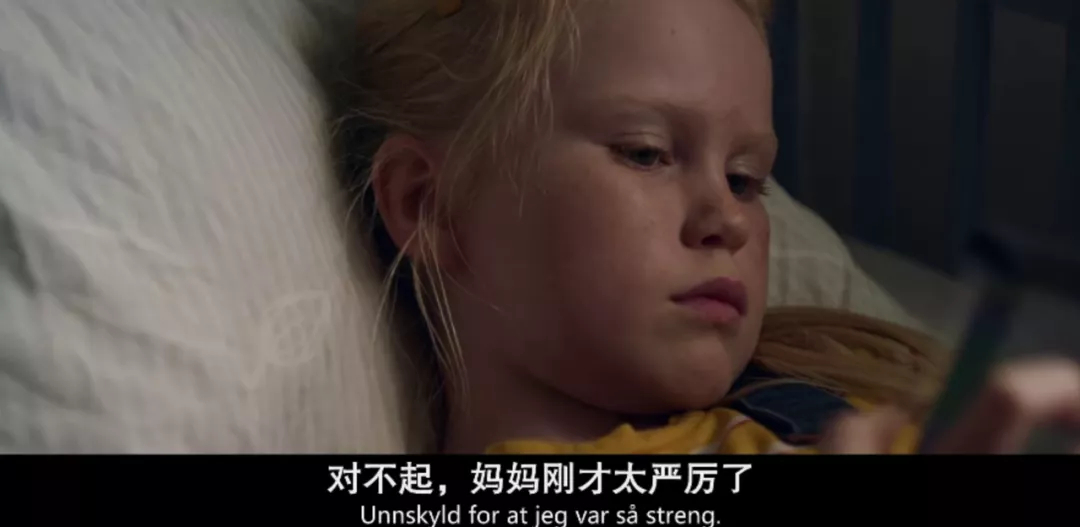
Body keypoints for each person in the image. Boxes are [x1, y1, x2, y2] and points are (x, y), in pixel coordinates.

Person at [339, 0, 1080, 454]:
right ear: (429, 204)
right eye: (646, 152)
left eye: (745, 179)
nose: (728, 218)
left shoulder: (839, 370)